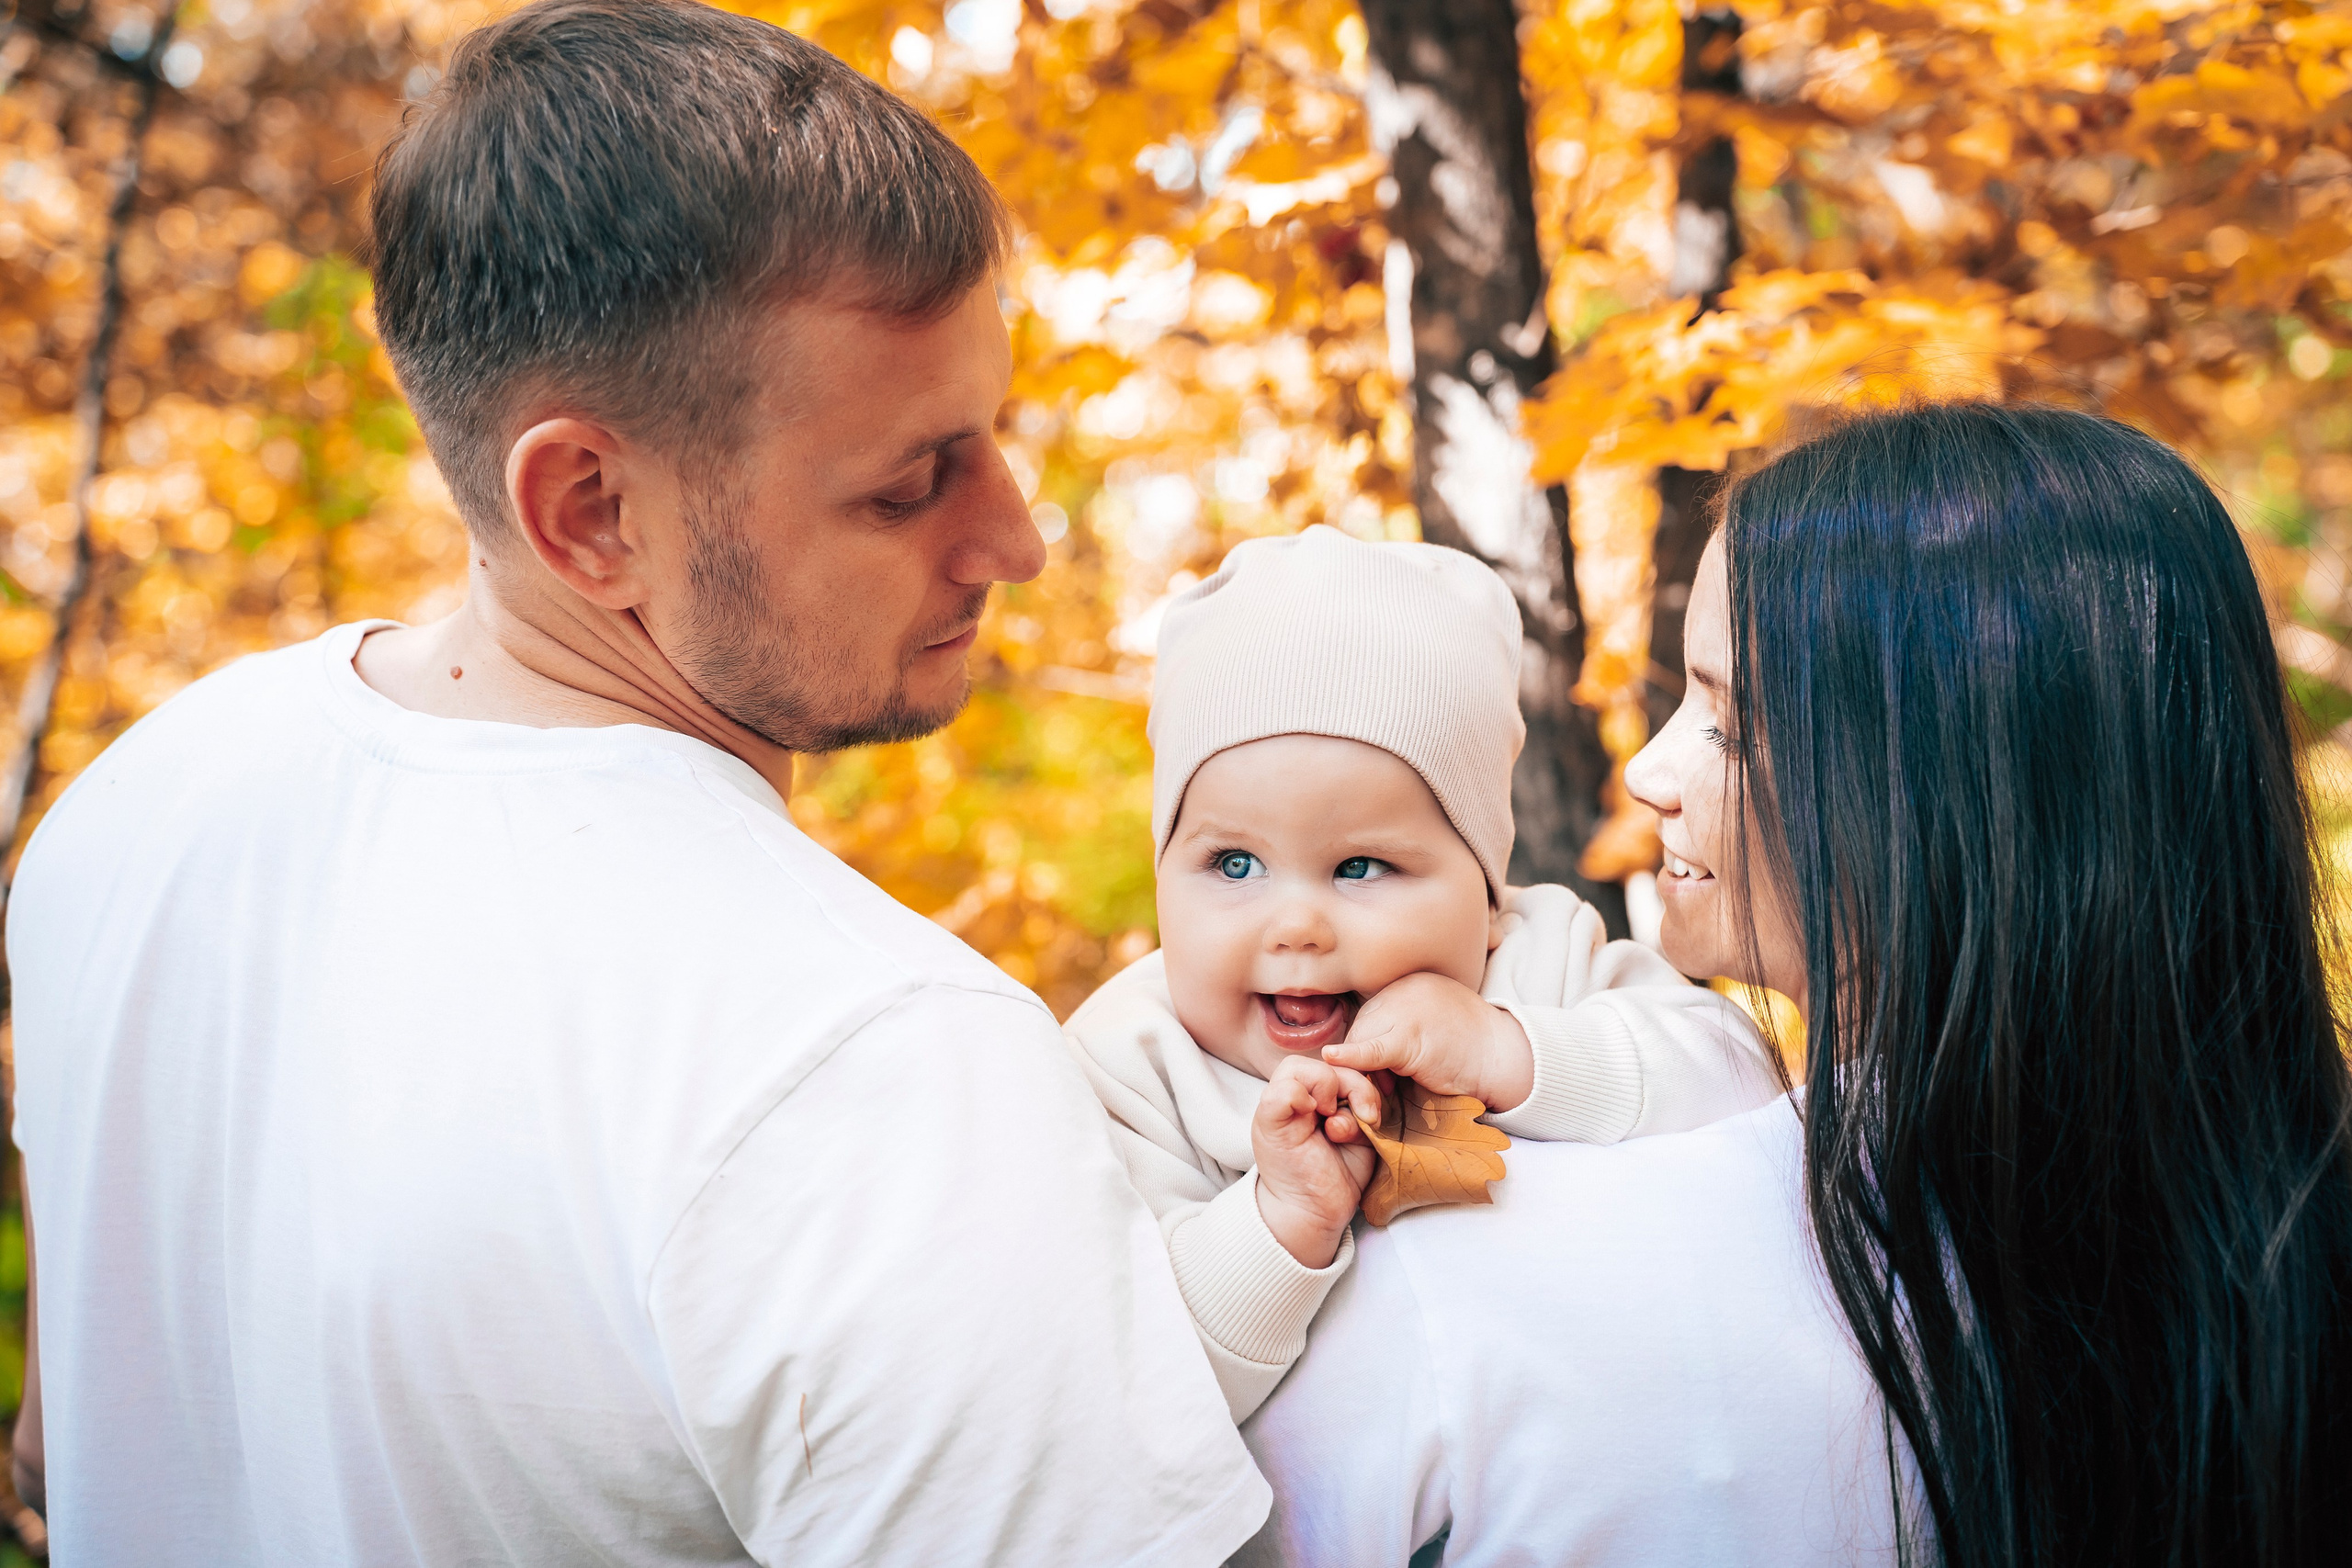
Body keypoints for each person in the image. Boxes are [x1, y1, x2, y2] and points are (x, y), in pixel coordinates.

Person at [5, 2, 1272, 1562]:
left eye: (990, 437)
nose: (1016, 539)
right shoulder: (869, 1063)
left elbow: (67, 1449)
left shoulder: (134, 810)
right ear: (590, 508)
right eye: (909, 480)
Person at [1237, 402, 2352, 1567]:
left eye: (1730, 721)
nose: (1649, 770)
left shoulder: (1478, 1279)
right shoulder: (2286, 1277)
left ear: (1942, 787)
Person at [1062, 526, 1778, 1421]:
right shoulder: (1134, 1062)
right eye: (1234, 865)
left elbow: (1743, 1072)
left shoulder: (1533, 958)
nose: (1294, 925)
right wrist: (1281, 1220)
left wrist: (1515, 1053)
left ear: (1485, 895)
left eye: (1359, 867)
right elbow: (1132, 1393)